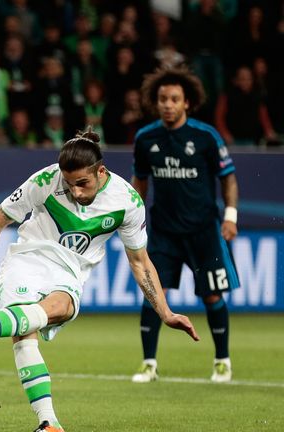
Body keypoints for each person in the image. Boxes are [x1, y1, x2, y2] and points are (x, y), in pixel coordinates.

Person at [0, 128, 199, 432]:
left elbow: (140, 261)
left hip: (69, 269)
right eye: (70, 184)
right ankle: (48, 423)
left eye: (83, 183)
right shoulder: (45, 181)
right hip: (29, 257)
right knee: (25, 335)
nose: (76, 192)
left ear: (100, 171)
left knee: (62, 307)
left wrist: (165, 313)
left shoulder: (127, 201)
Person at [131, 66, 239, 384]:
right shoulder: (145, 138)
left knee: (212, 297)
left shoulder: (206, 136)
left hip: (204, 230)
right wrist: (131, 223)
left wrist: (230, 216)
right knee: (154, 294)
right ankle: (148, 363)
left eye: (174, 99)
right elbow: (140, 183)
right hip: (164, 232)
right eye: (163, 98)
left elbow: (228, 178)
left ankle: (222, 361)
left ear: (187, 102)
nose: (168, 104)